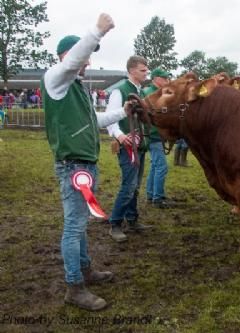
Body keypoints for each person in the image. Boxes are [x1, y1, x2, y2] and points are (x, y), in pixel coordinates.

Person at [42, 13, 138, 311]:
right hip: (73, 166)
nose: (88, 63)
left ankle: (84, 270)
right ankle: (74, 286)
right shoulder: (55, 78)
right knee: (74, 226)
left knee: (79, 224)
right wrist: (97, 31)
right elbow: (72, 62)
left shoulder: (76, 89)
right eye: (84, 57)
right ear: (67, 56)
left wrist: (122, 112)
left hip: (83, 165)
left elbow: (94, 120)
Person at [106, 55, 151, 242]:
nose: (146, 72)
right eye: (143, 70)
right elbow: (111, 117)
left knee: (135, 185)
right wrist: (119, 135)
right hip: (128, 146)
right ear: (132, 70)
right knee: (129, 185)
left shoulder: (139, 91)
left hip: (139, 144)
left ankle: (132, 219)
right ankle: (115, 223)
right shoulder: (120, 91)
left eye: (146, 69)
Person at [143, 67, 178, 208]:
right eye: (164, 78)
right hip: (153, 135)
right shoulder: (150, 94)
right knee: (161, 167)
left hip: (156, 135)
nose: (167, 81)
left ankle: (151, 194)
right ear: (156, 78)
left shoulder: (157, 93)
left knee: (155, 166)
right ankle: (158, 197)